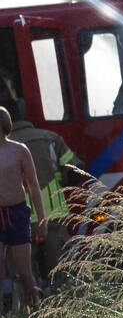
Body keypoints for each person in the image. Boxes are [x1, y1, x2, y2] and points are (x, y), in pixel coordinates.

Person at [6, 105, 82, 293]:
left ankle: (30, 309)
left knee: (24, 274)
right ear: (25, 116)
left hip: (17, 218)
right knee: (59, 269)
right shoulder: (50, 138)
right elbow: (75, 172)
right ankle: (61, 304)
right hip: (53, 215)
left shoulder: (4, 146)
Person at [0, 106, 46, 311]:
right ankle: (5, 310)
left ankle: (34, 307)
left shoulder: (19, 150)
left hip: (17, 213)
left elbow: (33, 186)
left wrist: (41, 220)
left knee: (24, 272)